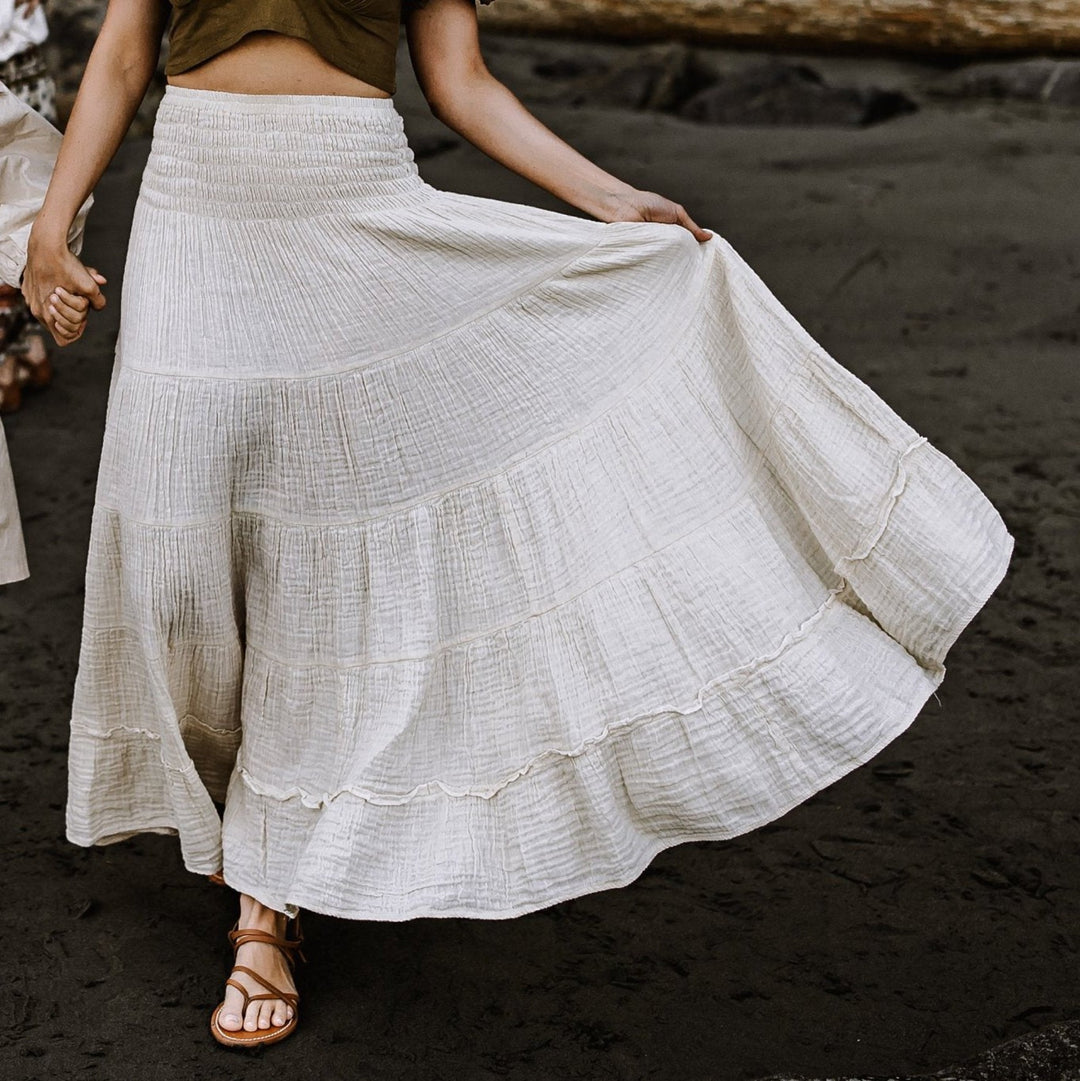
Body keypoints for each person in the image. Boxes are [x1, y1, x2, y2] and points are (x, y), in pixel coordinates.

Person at [23, 0, 1014, 1051]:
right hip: (194, 201)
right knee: (176, 564)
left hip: (350, 206)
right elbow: (129, 45)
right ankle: (256, 813)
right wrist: (53, 225)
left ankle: (266, 904)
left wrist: (607, 196)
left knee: (315, 558)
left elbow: (461, 79)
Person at [0, 0, 59, 412]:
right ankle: (26, 350)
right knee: (23, 224)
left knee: (17, 225)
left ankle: (6, 365)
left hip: (11, 88)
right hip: (29, 74)